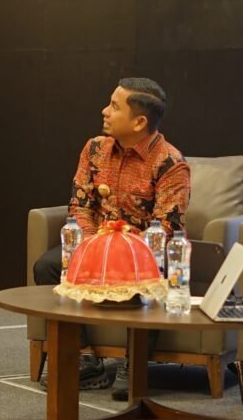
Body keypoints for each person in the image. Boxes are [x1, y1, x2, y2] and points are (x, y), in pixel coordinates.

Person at [32, 77, 190, 392]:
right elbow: (80, 206)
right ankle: (84, 359)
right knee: (47, 266)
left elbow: (165, 226)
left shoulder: (171, 163)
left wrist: (120, 251)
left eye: (115, 107)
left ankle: (135, 364)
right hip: (96, 243)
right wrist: (93, 246)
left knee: (149, 274)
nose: (105, 111)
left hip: (142, 252)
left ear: (139, 122)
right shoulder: (94, 149)